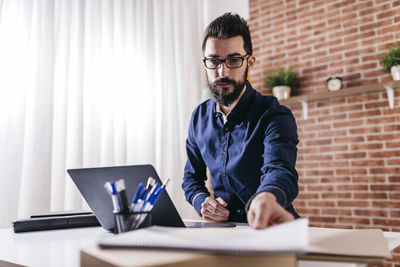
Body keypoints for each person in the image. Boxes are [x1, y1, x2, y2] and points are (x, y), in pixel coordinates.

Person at [182, 13, 299, 229]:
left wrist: (266, 197)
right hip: (224, 234)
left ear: (250, 63)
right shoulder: (198, 118)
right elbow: (191, 179)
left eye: (234, 60)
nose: (222, 71)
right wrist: (202, 202)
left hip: (272, 229)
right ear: (204, 63)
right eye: (214, 61)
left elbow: (280, 170)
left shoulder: (274, 114)